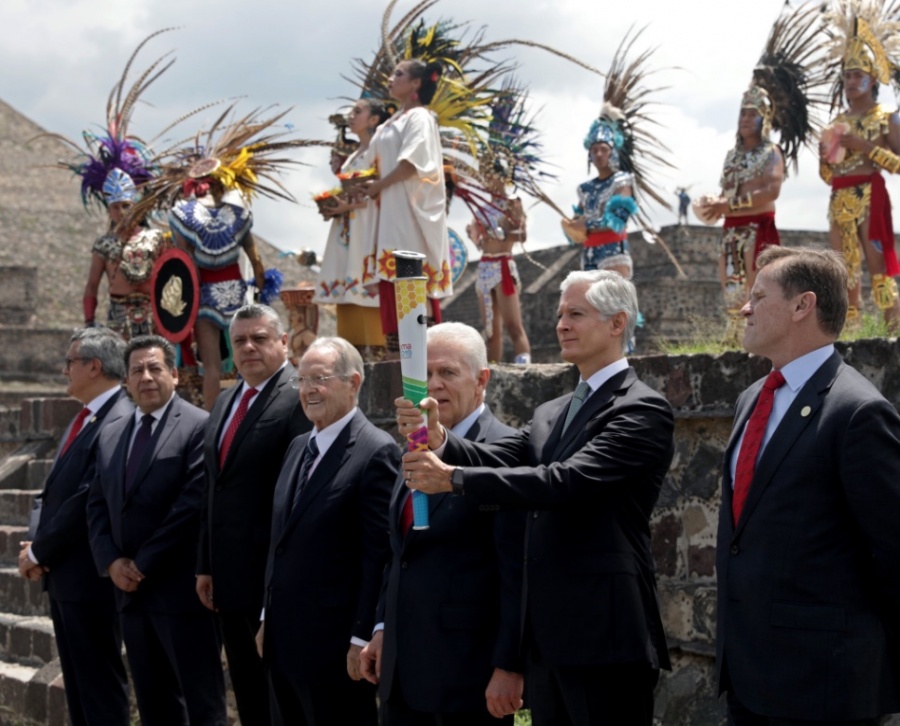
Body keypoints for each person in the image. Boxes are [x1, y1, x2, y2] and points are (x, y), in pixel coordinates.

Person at [400, 270, 675, 726]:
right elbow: (500, 455)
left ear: (617, 323)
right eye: (560, 314)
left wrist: (454, 479)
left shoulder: (640, 409)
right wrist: (440, 437)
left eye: (576, 314)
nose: (561, 325)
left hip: (603, 634)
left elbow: (566, 482)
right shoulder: (553, 410)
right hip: (546, 641)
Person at [716, 246, 900, 724]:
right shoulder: (752, 398)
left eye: (759, 295)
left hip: (824, 687)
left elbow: (893, 552)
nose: (745, 307)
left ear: (803, 306)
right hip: (749, 676)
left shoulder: (857, 412)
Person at [359, 322, 524, 725]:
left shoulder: (505, 451)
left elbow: (517, 570)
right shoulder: (412, 447)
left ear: (482, 379)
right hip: (402, 674)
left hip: (468, 677)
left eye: (448, 373)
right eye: (425, 375)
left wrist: (509, 666)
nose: (433, 385)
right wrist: (382, 626)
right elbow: (398, 553)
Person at [87, 335, 226, 726]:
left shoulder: (199, 426)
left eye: (155, 368)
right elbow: (96, 504)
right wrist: (112, 562)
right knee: (154, 706)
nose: (146, 377)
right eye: (137, 371)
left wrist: (142, 564)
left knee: (203, 706)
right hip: (130, 596)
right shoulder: (111, 433)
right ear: (126, 381)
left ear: (175, 375)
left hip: (181, 592)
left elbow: (192, 503)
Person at [259, 337, 399, 725]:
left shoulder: (376, 451)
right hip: (283, 639)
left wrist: (360, 637)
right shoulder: (298, 447)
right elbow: (280, 542)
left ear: (353, 383)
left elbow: (378, 556)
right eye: (301, 380)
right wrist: (267, 615)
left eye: (319, 378)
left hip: (333, 647)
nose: (308, 390)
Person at [195, 303, 311, 726]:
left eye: (259, 339)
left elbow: (302, 490)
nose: (248, 348)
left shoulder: (299, 396)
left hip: (273, 580)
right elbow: (214, 487)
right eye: (239, 340)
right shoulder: (226, 401)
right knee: (247, 693)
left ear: (283, 342)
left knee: (281, 698)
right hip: (228, 580)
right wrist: (205, 564)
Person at [17, 328, 132, 726]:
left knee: (99, 690)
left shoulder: (117, 417)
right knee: (82, 691)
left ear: (94, 366)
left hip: (89, 577)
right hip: (66, 575)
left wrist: (38, 551)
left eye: (70, 362)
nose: (64, 370)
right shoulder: (88, 416)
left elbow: (87, 498)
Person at [696, 3, 824, 342]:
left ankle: (761, 337)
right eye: (741, 112)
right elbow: (728, 190)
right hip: (731, 232)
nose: (744, 118)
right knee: (730, 286)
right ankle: (731, 338)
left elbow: (770, 191)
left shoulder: (772, 152)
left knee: (760, 287)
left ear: (764, 119)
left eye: (751, 113)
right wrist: (714, 202)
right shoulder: (731, 155)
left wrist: (731, 205)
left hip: (756, 230)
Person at [364, 58, 451, 352]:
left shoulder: (420, 118)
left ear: (416, 83)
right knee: (392, 291)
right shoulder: (390, 123)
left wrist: (376, 186)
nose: (391, 78)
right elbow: (369, 166)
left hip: (409, 214)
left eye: (398, 74)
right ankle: (397, 368)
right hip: (389, 215)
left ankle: (425, 367)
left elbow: (410, 165)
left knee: (411, 284)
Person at [819, 13, 900, 327]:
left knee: (878, 269)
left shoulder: (887, 118)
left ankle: (892, 331)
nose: (850, 82)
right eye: (847, 75)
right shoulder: (836, 122)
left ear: (872, 79)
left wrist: (864, 147)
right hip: (838, 199)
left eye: (857, 74)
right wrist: (825, 159)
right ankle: (850, 334)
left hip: (870, 196)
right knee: (843, 270)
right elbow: (828, 176)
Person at [169, 171, 266, 410]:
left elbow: (183, 263)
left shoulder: (184, 216)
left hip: (204, 297)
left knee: (211, 367)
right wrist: (261, 296)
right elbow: (256, 261)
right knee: (245, 360)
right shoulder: (239, 217)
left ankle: (211, 423)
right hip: (236, 294)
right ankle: (247, 413)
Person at [315, 99, 392, 358]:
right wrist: (332, 205)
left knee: (364, 289)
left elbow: (381, 192)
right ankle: (350, 359)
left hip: (367, 229)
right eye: (351, 111)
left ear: (373, 120)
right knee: (346, 296)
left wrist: (345, 206)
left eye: (358, 111)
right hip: (347, 230)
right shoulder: (354, 156)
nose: (351, 115)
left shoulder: (380, 151)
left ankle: (377, 358)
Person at [84, 169, 164, 339]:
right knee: (120, 364)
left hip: (155, 317)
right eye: (115, 207)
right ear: (109, 210)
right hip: (118, 319)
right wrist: (89, 321)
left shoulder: (155, 238)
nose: (121, 212)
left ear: (135, 206)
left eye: (126, 205)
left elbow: (171, 281)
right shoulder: (103, 244)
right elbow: (92, 285)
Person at [467, 171, 532, 365]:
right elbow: (481, 244)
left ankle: (525, 369)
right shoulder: (480, 208)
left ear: (502, 176)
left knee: (513, 326)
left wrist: (502, 233)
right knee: (490, 331)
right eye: (485, 176)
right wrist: (474, 234)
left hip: (503, 265)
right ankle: (492, 375)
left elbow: (522, 235)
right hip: (485, 267)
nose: (487, 180)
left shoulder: (512, 203)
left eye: (490, 174)